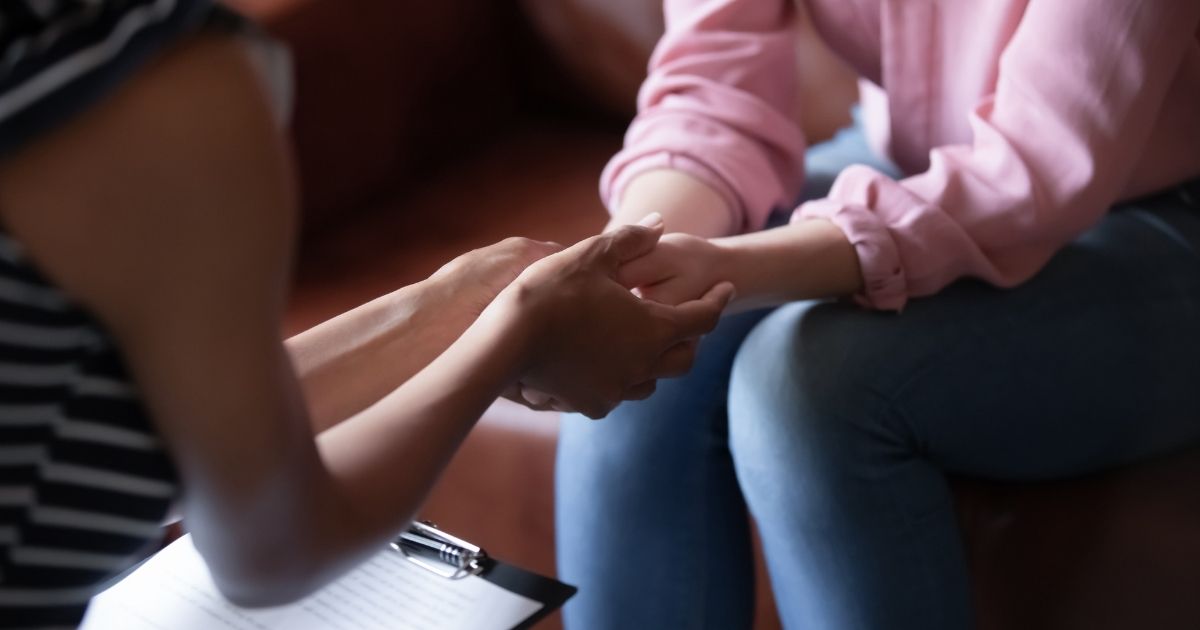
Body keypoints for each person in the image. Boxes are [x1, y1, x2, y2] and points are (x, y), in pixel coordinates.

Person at [0, 2, 734, 627]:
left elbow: (124, 427)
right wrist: (513, 336)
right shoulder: (158, 87)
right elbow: (272, 554)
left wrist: (446, 307)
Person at [555, 1, 1200, 628]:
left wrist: (731, 271)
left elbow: (1040, 162)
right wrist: (622, 273)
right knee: (636, 373)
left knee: (809, 388)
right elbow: (713, 86)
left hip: (1162, 206)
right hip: (908, 154)